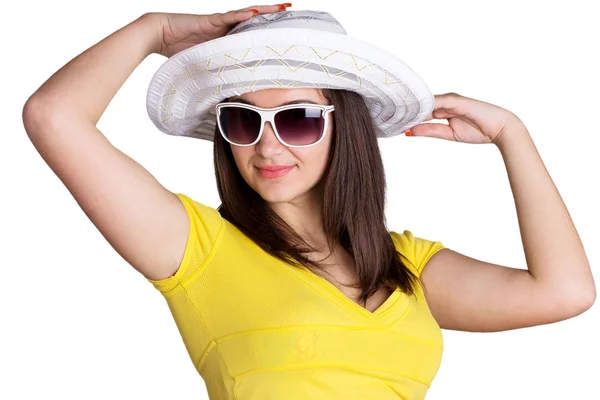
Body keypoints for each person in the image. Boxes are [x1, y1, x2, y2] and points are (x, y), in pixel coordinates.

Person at [22, 5, 596, 400]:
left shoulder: (407, 269)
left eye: (296, 119)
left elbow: (565, 292)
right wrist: (155, 28)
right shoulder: (195, 248)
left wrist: (511, 135)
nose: (266, 145)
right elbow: (54, 116)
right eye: (243, 119)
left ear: (343, 127)